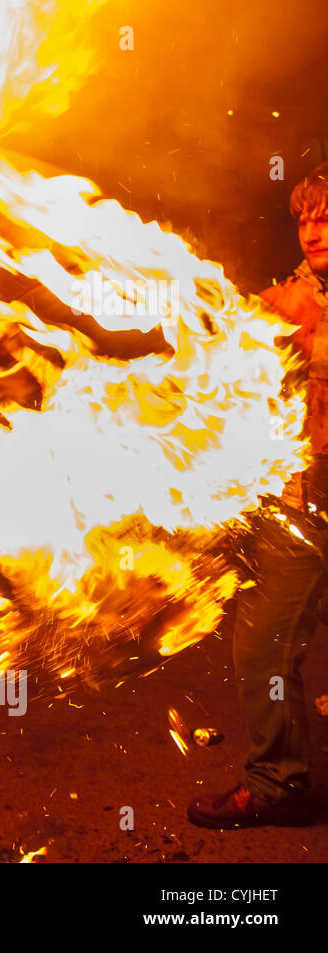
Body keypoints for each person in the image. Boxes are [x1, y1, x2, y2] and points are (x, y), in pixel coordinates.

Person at [188, 162, 328, 829]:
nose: (313, 230)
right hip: (299, 498)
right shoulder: (284, 299)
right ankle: (278, 780)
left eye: (325, 215)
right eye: (304, 217)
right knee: (263, 645)